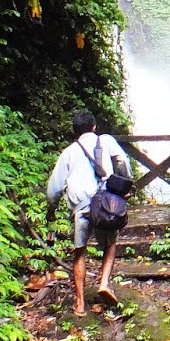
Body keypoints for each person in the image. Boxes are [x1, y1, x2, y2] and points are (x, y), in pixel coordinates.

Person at [45, 110, 124, 316]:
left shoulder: (69, 152)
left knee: (80, 250)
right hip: (105, 203)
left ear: (75, 132)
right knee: (110, 244)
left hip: (81, 205)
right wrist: (124, 183)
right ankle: (104, 283)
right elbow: (122, 161)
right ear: (94, 127)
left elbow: (54, 188)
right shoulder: (105, 141)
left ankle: (79, 304)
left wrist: (51, 210)